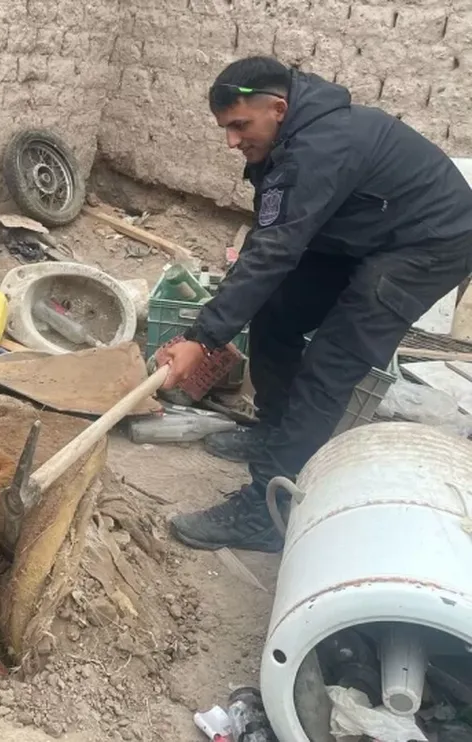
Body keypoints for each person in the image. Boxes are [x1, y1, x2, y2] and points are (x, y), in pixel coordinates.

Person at [161, 56, 472, 553]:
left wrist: (202, 338)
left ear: (278, 107)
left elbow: (275, 248)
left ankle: (270, 510)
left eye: (240, 125)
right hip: (369, 231)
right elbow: (271, 242)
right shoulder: (290, 137)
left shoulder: (321, 146)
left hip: (429, 244)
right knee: (277, 307)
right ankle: (276, 429)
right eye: (225, 128)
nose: (231, 141)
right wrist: (214, 325)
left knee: (332, 362)